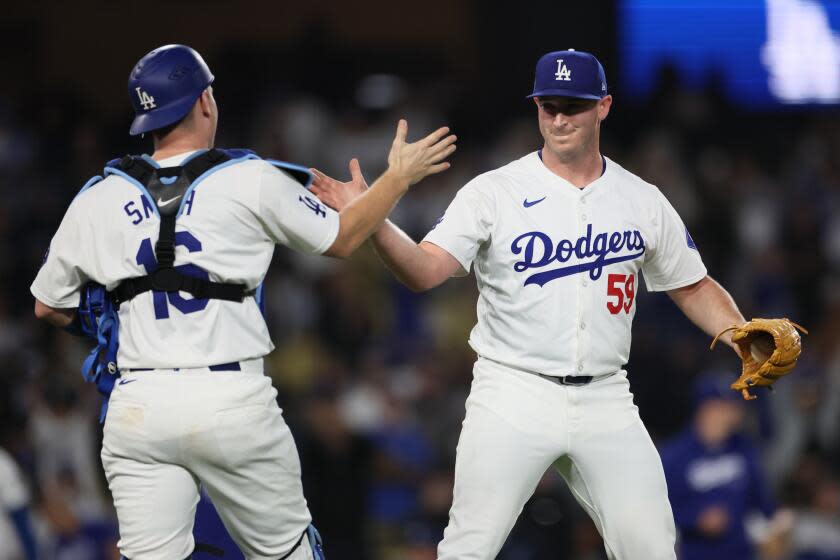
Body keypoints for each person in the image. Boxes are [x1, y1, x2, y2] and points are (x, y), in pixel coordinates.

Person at [309, 49, 765, 559]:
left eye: (573, 105)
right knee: (468, 550)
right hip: (512, 392)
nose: (559, 118)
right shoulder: (494, 192)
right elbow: (422, 269)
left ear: (605, 106)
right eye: (548, 105)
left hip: (606, 398)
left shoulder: (642, 198)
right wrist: (373, 215)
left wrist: (742, 335)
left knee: (653, 548)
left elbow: (693, 285)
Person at [30, 44, 456, 560]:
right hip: (229, 397)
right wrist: (397, 180)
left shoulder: (96, 196)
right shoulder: (247, 178)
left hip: (138, 406)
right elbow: (342, 239)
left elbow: (47, 306)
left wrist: (114, 320)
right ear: (205, 100)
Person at [660, 374, 787, 560]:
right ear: (705, 408)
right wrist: (696, 519)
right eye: (725, 406)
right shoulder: (675, 455)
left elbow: (760, 501)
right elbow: (661, 511)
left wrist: (778, 519)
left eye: (734, 406)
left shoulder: (744, 447)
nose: (733, 413)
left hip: (741, 552)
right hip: (694, 552)